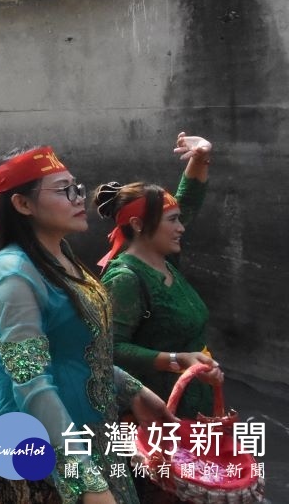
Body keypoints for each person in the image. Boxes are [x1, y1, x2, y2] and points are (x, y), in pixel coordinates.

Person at [0, 146, 173, 504]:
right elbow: (30, 380)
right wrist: (86, 479)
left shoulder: (60, 253)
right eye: (63, 190)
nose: (78, 197)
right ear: (23, 205)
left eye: (76, 187)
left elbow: (76, 349)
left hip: (85, 426)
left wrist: (132, 389)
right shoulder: (14, 276)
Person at [98, 132, 221, 421]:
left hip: (191, 403)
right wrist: (176, 361)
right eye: (173, 220)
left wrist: (201, 155)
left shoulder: (165, 261)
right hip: (152, 415)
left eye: (179, 219)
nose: (181, 227)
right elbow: (108, 350)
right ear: (139, 225)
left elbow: (187, 202)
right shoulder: (125, 278)